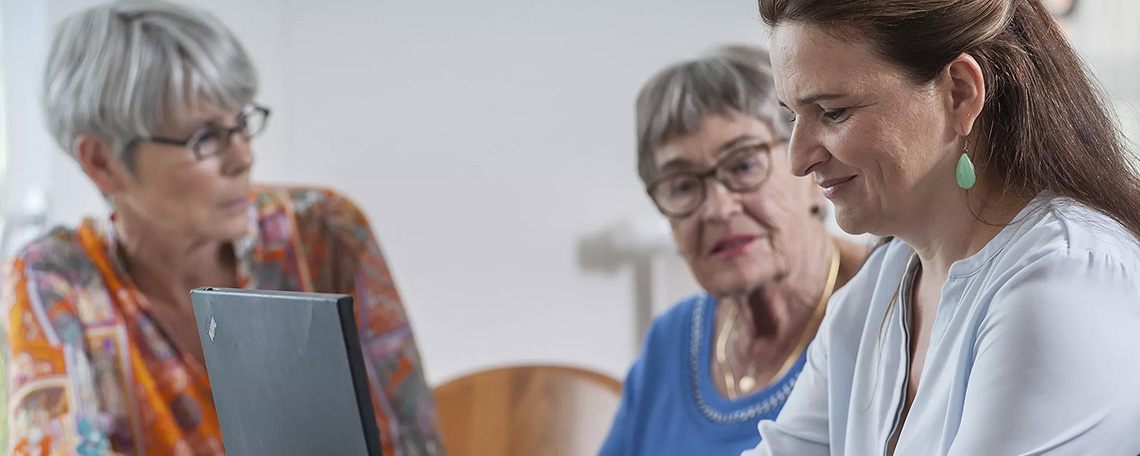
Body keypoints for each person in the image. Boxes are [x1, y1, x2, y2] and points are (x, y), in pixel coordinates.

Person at [1, 2, 445, 455]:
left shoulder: (324, 233)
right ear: (101, 161)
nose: (243, 158)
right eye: (205, 137)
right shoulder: (55, 282)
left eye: (241, 124)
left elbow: (413, 444)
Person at [743, 1, 1140, 455]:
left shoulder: (1063, 282)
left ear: (959, 93)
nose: (798, 159)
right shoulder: (878, 285)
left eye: (833, 112)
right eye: (793, 116)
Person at [598, 45, 869, 456]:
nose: (718, 208)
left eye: (743, 165)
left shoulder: (891, 306)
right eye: (684, 186)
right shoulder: (671, 339)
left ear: (811, 169)